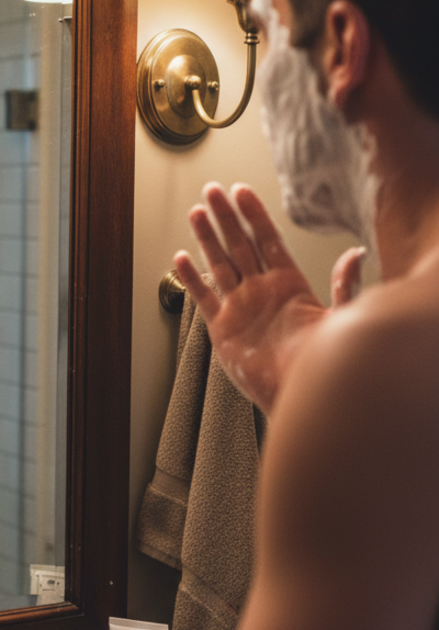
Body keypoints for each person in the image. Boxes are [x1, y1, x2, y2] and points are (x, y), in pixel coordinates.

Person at [174, 0, 439, 628]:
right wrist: (312, 410)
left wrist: (342, 397)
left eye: (268, 32)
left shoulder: (380, 368)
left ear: (344, 48)